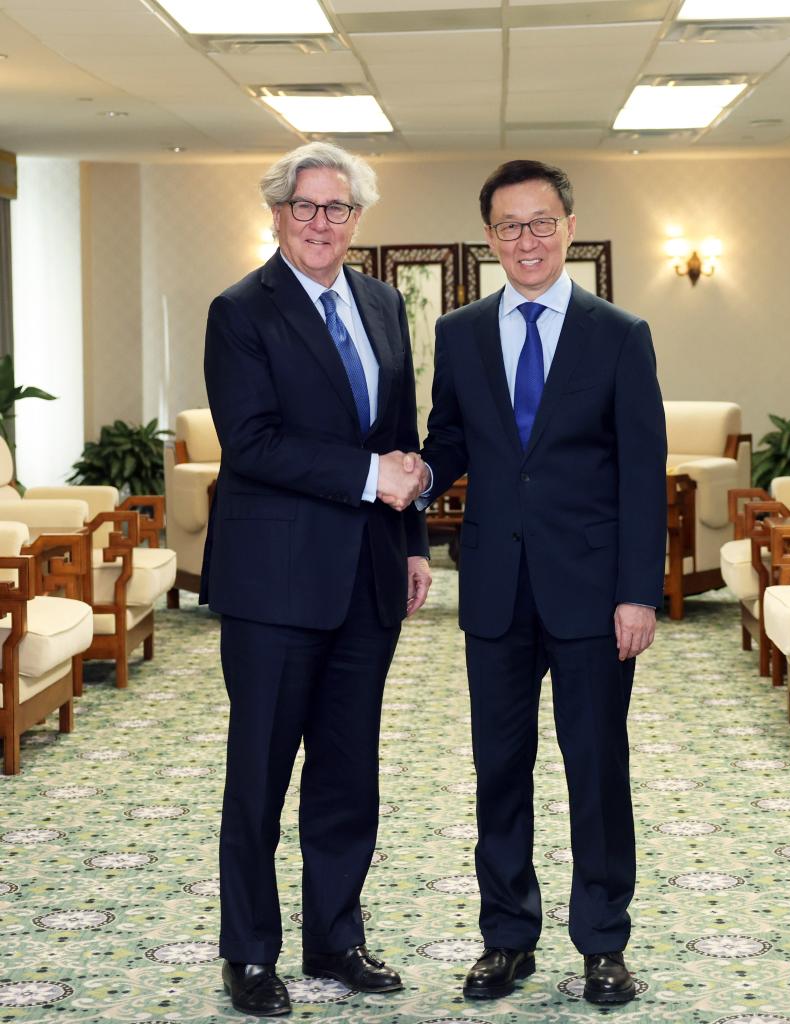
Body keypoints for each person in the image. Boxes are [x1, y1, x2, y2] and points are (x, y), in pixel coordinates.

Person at [417, 159, 666, 1004]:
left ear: (567, 227)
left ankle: (602, 942)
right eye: (507, 226)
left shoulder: (618, 333)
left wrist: (638, 592)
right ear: (489, 238)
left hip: (593, 592)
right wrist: (414, 478)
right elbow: (449, 439)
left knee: (595, 768)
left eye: (540, 222)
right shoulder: (459, 333)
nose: (525, 240)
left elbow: (641, 472)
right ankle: (506, 938)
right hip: (494, 586)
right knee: (499, 769)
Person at [201, 141, 431, 1017]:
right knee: (259, 774)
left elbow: (399, 433)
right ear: (277, 214)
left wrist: (411, 541)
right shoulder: (239, 311)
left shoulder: (381, 303)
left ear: (356, 219)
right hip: (274, 586)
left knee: (346, 772)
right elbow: (252, 442)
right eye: (305, 206)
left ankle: (335, 939)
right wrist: (372, 478)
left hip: (368, 576)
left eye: (337, 208)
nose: (320, 222)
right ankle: (249, 955)